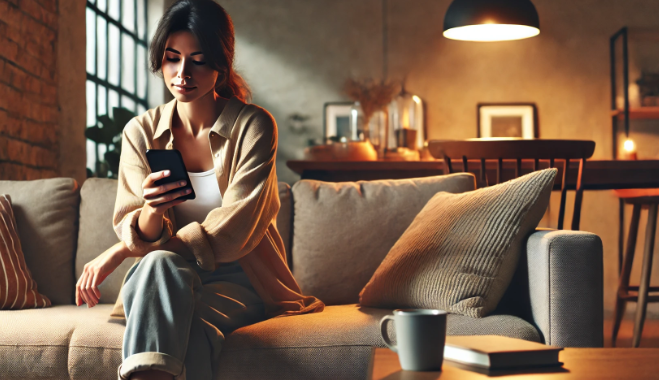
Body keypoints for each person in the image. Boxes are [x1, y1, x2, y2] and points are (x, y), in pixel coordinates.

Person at [74, 1, 324, 379]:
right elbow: (137, 223)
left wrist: (119, 251)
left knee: (187, 323)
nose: (182, 74)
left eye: (199, 60)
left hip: (241, 277)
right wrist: (153, 211)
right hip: (162, 276)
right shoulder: (140, 132)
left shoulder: (253, 127)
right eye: (172, 59)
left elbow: (235, 228)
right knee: (161, 265)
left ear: (221, 63)